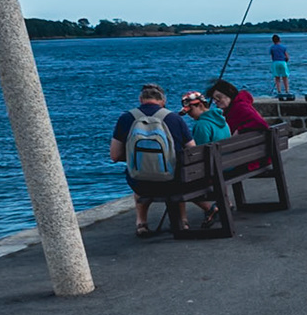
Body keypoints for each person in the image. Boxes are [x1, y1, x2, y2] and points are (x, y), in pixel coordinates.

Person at [110, 83, 192, 237]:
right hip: (173, 182)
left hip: (141, 184)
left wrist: (140, 159)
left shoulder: (126, 118)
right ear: (163, 100)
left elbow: (114, 156)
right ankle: (183, 220)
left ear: (141, 99)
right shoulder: (174, 118)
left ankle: (141, 223)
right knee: (179, 171)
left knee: (140, 171)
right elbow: (192, 150)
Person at [206, 78, 271, 134]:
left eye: (219, 97)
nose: (216, 101)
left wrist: (240, 130)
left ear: (229, 94)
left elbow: (261, 123)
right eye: (214, 99)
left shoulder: (240, 107)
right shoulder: (229, 109)